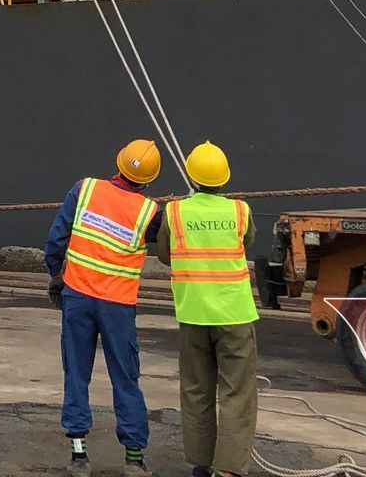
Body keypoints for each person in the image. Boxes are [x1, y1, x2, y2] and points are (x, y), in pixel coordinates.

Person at [44, 139, 165, 469]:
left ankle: (79, 455)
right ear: (150, 179)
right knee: (126, 379)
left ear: (118, 162)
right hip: (118, 306)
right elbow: (169, 244)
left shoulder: (84, 189)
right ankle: (134, 459)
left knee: (76, 372)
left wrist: (57, 274)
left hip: (77, 296)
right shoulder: (151, 212)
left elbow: (57, 238)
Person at [156, 143, 259, 477]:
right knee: (237, 393)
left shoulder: (174, 212)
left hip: (193, 313)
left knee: (197, 389)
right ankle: (228, 470)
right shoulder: (240, 211)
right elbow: (246, 243)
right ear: (225, 179)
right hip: (235, 314)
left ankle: (201, 465)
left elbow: (164, 254)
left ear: (191, 176)